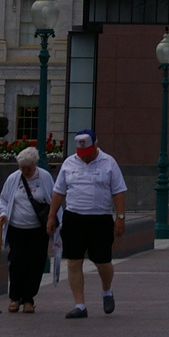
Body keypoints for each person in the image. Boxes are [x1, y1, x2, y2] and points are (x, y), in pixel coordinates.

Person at [47, 129, 127, 319]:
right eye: (81, 153)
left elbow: (119, 192)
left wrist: (120, 218)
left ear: (95, 146)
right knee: (74, 261)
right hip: (74, 217)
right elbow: (59, 192)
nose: (84, 157)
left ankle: (107, 290)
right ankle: (80, 305)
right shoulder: (69, 163)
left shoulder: (109, 163)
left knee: (102, 261)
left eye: (88, 152)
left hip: (100, 218)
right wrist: (51, 216)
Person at [0, 146, 54, 313]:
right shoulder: (13, 179)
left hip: (38, 229)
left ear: (35, 165)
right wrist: (2, 214)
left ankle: (28, 299)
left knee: (35, 263)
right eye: (22, 168)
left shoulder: (45, 178)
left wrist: (53, 221)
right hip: (17, 228)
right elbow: (4, 200)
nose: (25, 172)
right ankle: (15, 298)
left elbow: (54, 199)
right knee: (16, 262)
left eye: (28, 168)